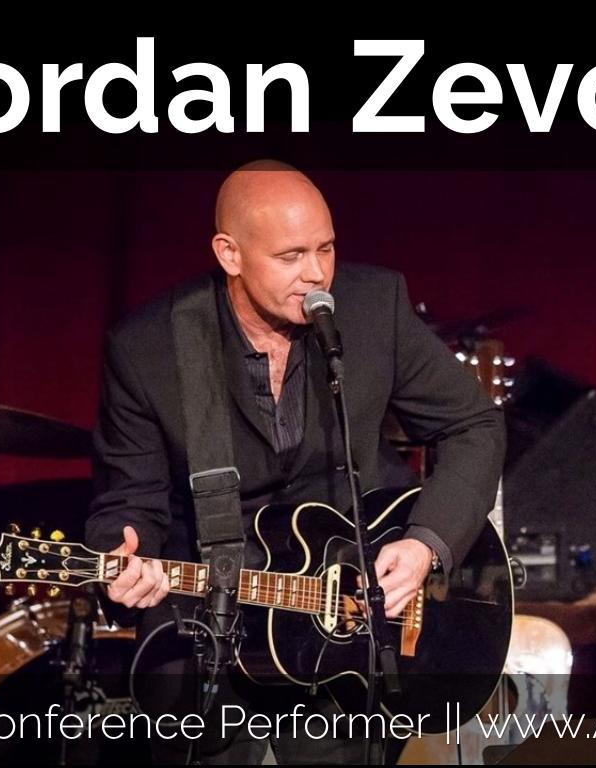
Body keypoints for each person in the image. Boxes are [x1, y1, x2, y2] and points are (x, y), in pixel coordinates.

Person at [86, 160, 505, 763]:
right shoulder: (148, 348)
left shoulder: (373, 307)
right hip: (210, 623)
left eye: (325, 249)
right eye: (290, 256)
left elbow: (475, 425)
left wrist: (424, 544)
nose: (316, 275)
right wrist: (124, 558)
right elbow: (129, 502)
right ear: (229, 254)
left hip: (351, 629)